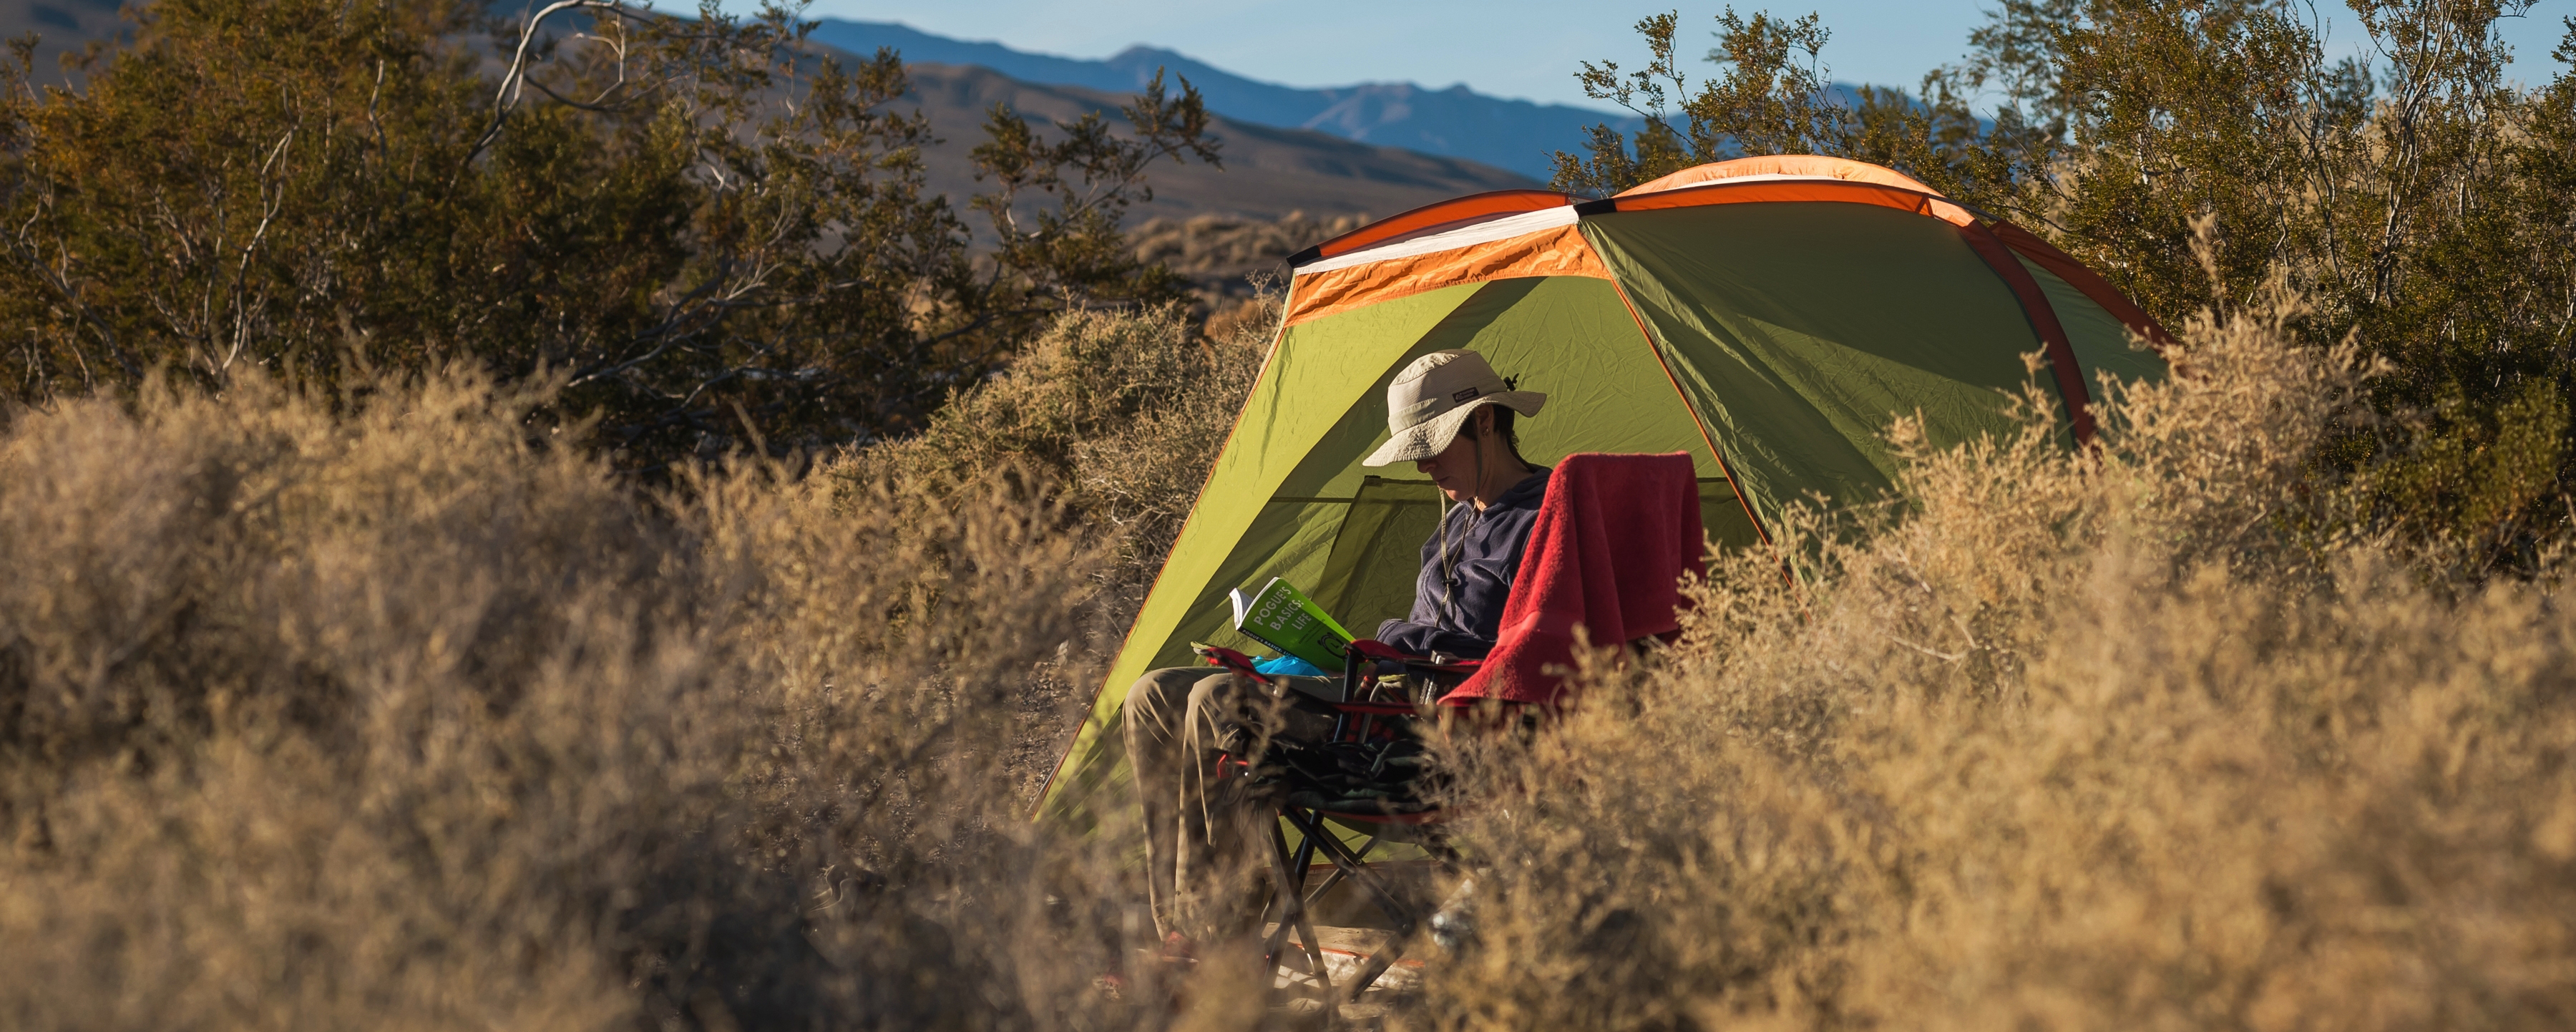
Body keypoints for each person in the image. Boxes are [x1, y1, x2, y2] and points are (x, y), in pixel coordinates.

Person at [1120, 349, 1548, 947]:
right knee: (1152, 694)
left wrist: (1400, 646)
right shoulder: (1454, 522)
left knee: (1223, 698)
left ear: (1483, 422)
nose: (1423, 468)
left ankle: (1218, 938)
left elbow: (1521, 652)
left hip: (1435, 726)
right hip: (1384, 697)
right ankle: (1181, 924)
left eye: (1430, 448)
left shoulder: (1546, 518)